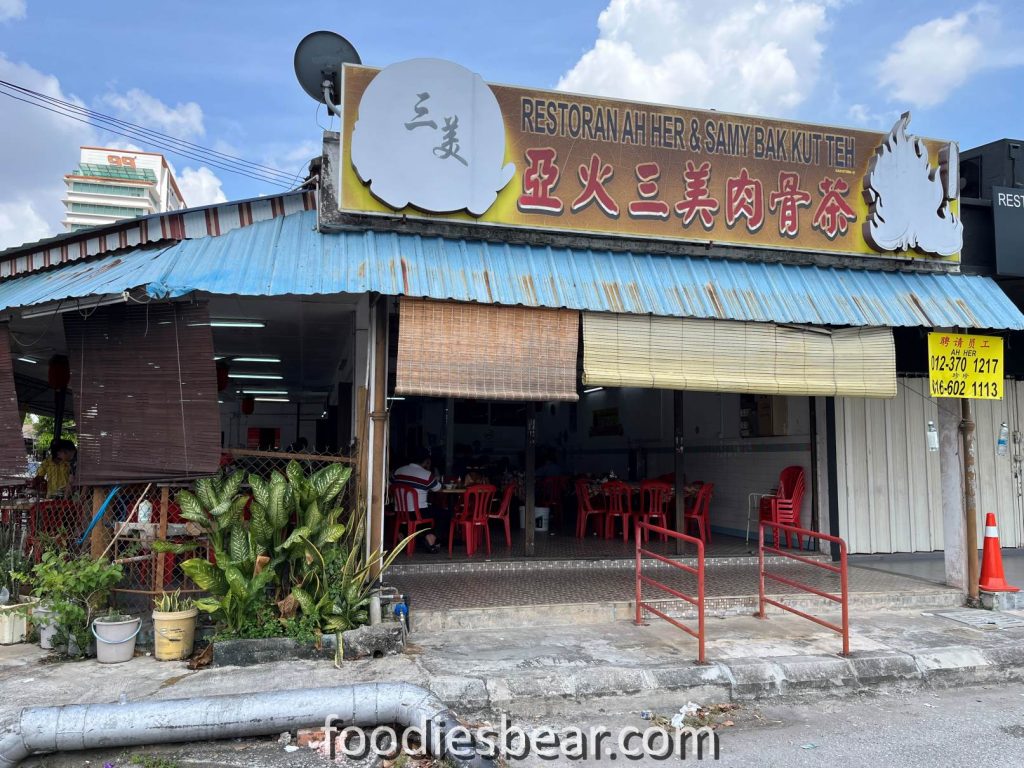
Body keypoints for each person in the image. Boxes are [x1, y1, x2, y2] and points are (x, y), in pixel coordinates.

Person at [391, 449, 447, 553]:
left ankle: (403, 534)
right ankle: (431, 537)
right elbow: (439, 490)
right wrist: (428, 470)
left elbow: (390, 485)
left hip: (399, 512)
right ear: (426, 461)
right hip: (418, 513)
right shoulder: (426, 474)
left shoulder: (397, 471)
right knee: (445, 513)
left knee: (430, 511)